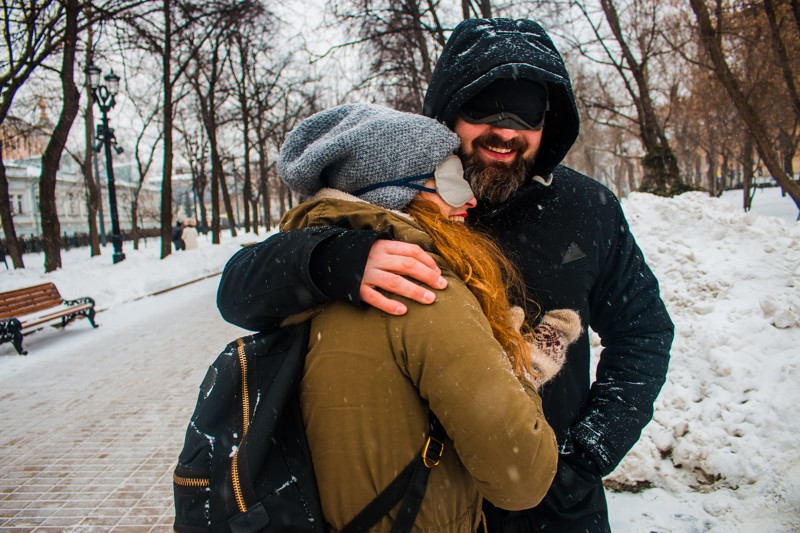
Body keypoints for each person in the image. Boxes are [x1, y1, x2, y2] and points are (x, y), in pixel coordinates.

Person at [217, 18, 674, 532]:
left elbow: (644, 333)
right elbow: (237, 292)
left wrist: (585, 455)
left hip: (553, 508)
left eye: (527, 113)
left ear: (550, 122)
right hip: (424, 505)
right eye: (482, 108)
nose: (505, 131)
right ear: (448, 112)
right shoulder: (410, 199)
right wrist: (331, 261)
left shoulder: (586, 208)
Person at [268, 103, 580, 530]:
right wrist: (519, 372)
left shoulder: (307, 281)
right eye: (451, 181)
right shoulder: (424, 292)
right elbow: (522, 479)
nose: (470, 197)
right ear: (393, 191)